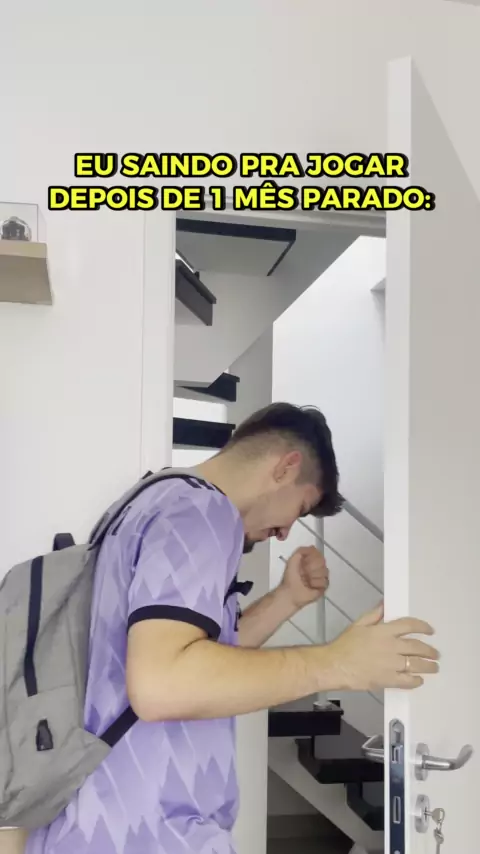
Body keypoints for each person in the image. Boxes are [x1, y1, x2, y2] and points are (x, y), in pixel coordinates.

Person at [25, 402, 439, 854]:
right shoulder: (202, 512)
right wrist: (336, 662)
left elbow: (190, 658)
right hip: (147, 834)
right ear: (286, 467)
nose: (285, 532)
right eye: (300, 508)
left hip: (96, 823)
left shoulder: (148, 502)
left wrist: (286, 599)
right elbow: (162, 684)